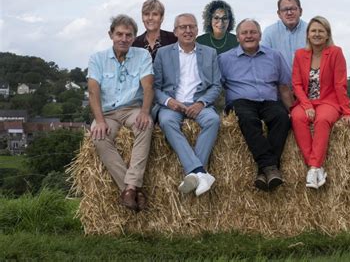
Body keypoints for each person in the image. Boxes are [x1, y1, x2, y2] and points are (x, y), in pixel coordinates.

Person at [87, 14, 154, 212]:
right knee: (98, 136)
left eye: (128, 35)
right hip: (107, 113)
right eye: (119, 34)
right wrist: (99, 121)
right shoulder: (97, 59)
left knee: (146, 125)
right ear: (111, 35)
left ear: (134, 37)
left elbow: (149, 87)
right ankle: (132, 189)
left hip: (132, 109)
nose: (124, 39)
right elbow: (93, 91)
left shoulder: (142, 55)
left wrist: (144, 112)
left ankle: (130, 187)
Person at [218, 19, 293, 192]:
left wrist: (292, 111)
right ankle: (271, 167)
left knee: (281, 118)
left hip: (268, 101)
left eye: (253, 32)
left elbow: (283, 86)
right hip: (240, 102)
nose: (249, 36)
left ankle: (264, 170)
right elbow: (217, 87)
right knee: (248, 119)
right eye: (244, 33)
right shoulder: (224, 59)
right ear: (237, 37)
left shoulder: (274, 56)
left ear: (260, 35)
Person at [154, 13, 221, 197]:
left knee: (213, 120)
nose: (188, 30)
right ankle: (201, 172)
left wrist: (201, 102)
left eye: (192, 27)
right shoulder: (163, 53)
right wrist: (169, 102)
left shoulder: (210, 53)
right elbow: (156, 87)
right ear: (175, 31)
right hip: (172, 104)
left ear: (197, 30)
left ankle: (194, 173)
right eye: (183, 27)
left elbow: (216, 85)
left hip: (200, 104)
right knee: (167, 122)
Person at [291, 16, 350, 189]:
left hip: (329, 101)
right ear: (308, 34)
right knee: (297, 118)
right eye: (313, 31)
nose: (317, 34)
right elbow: (296, 84)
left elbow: (340, 84)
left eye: (321, 31)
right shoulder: (300, 54)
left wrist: (347, 112)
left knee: (322, 120)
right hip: (306, 101)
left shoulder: (335, 52)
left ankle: (313, 168)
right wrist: (306, 105)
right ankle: (316, 167)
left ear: (327, 35)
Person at [262, 0, 307, 68]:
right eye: (285, 10)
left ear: (301, 11)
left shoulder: (311, 31)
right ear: (279, 14)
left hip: (307, 78)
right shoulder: (269, 33)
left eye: (293, 9)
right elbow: (263, 60)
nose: (289, 13)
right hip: (278, 79)